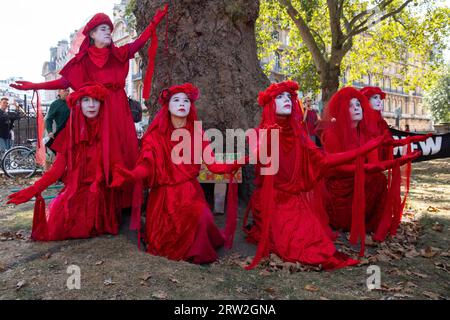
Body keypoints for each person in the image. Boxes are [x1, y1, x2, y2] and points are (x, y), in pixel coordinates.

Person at [10, 6, 168, 228]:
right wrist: (35, 85)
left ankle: (124, 202)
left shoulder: (119, 54)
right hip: (98, 110)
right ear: (92, 34)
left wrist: (155, 22)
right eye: (103, 29)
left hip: (119, 110)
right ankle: (104, 202)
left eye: (109, 30)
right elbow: (64, 82)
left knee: (123, 150)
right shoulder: (82, 61)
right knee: (100, 153)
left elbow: (139, 42)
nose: (108, 33)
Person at [243, 81, 386, 270]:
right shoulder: (257, 133)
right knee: (295, 245)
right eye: (280, 97)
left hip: (295, 200)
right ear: (269, 104)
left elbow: (325, 161)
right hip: (272, 201)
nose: (287, 100)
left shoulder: (299, 136)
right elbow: (259, 152)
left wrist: (366, 149)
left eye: (289, 97)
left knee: (317, 244)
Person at [112, 83, 244, 264]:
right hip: (164, 198)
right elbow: (147, 166)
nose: (182, 103)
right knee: (166, 236)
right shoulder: (155, 136)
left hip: (190, 193)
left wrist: (243, 159)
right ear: (168, 106)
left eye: (186, 100)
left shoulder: (197, 133)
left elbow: (214, 166)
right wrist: (131, 175)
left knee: (202, 218)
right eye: (176, 100)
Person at [7, 83, 123, 241]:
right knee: (64, 220)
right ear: (78, 104)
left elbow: (117, 167)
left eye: (95, 100)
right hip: (77, 192)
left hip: (102, 197)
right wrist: (33, 189)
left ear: (101, 104)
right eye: (86, 100)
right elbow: (56, 170)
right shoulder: (71, 133)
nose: (91, 105)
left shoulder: (109, 132)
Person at [320, 87, 421, 254]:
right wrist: (369, 168)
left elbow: (378, 156)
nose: (357, 107)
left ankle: (368, 222)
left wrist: (397, 159)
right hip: (339, 185)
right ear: (342, 111)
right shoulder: (332, 134)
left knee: (378, 180)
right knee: (372, 177)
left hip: (359, 179)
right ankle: (345, 221)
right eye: (350, 105)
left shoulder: (364, 133)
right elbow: (336, 168)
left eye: (358, 104)